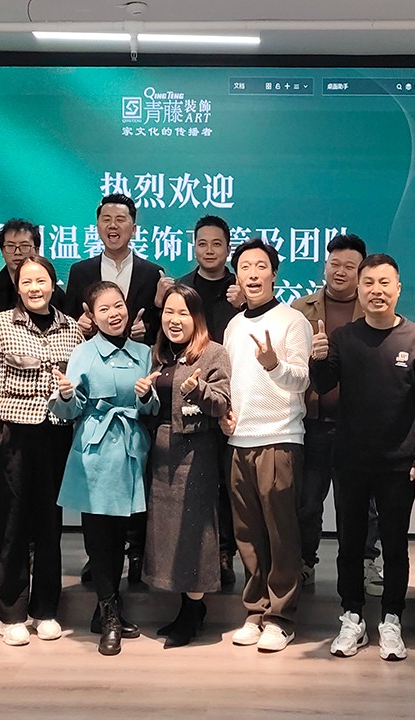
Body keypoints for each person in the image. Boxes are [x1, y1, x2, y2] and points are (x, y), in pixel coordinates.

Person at [309, 253, 415, 660]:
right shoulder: (344, 337)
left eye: (385, 283)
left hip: (399, 463)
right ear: (359, 289)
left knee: (396, 545)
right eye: (368, 283)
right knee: (349, 546)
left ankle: (391, 619)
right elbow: (324, 384)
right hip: (350, 459)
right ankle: (352, 618)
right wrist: (318, 357)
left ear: (398, 289)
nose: (376, 291)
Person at [0, 255, 82, 646]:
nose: (34, 288)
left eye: (41, 281)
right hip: (11, 436)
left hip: (55, 435)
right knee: (12, 525)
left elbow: (80, 386)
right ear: (17, 287)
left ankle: (45, 610)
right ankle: (11, 613)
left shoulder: (72, 330)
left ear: (53, 284)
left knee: (50, 525)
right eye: (26, 282)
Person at [52, 281, 159, 656]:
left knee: (121, 536)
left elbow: (150, 408)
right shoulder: (82, 352)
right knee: (100, 539)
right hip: (95, 453)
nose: (114, 314)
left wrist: (147, 397)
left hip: (130, 452)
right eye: (104, 309)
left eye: (119, 306)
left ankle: (106, 612)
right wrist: (65, 395)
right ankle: (109, 615)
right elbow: (70, 409)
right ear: (91, 315)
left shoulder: (144, 352)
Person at [63, 194, 164, 584]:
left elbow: (163, 323)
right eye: (106, 218)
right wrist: (82, 327)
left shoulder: (152, 272)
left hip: (136, 377)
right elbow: (72, 318)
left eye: (121, 219)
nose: (113, 225)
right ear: (97, 226)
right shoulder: (81, 270)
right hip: (97, 379)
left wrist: (145, 330)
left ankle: (136, 554)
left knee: (136, 483)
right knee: (99, 496)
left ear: (134, 227)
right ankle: (101, 562)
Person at [0, 218, 66, 580]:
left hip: (48, 414)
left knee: (43, 494)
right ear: (1, 249)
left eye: (26, 246)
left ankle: (34, 552)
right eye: (11, 246)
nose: (18, 253)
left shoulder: (58, 302)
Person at [220, 238, 312, 653]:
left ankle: (282, 617)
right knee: (247, 534)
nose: (253, 274)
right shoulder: (233, 326)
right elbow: (230, 381)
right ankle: (255, 611)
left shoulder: (293, 321)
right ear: (237, 275)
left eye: (261, 266)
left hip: (280, 439)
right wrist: (223, 415)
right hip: (238, 440)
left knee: (281, 533)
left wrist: (273, 364)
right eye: (245, 267)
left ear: (274, 273)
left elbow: (301, 380)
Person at [144, 284, 231, 648]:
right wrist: (143, 395)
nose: (174, 320)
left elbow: (222, 403)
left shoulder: (214, 353)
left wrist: (199, 390)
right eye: (168, 312)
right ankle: (186, 607)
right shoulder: (158, 354)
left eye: (183, 313)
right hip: (162, 452)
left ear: (197, 318)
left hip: (197, 453)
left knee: (195, 532)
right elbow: (153, 406)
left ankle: (194, 610)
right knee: (167, 533)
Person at [291, 234, 372, 587]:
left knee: (359, 505)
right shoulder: (300, 309)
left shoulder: (373, 310)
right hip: (312, 423)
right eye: (334, 264)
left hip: (357, 426)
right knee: (308, 501)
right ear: (324, 266)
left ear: (361, 271)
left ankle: (364, 563)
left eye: (349, 266)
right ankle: (304, 561)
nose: (340, 271)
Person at [167, 214, 241, 586]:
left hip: (229, 396)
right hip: (187, 399)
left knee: (226, 483)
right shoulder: (181, 287)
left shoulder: (241, 288)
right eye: (202, 243)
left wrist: (244, 303)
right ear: (193, 247)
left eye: (217, 244)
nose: (209, 250)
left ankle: (224, 552)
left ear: (228, 248)